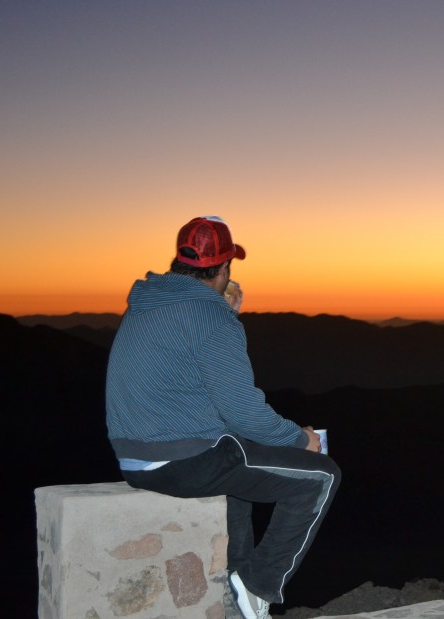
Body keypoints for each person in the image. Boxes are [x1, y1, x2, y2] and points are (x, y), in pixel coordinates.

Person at [105, 216, 339, 619]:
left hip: (135, 459)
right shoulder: (210, 317)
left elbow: (194, 385)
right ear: (226, 267)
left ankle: (235, 587)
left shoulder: (148, 301)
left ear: (180, 260)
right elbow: (243, 411)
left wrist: (220, 308)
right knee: (321, 477)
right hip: (181, 461)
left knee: (237, 464)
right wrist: (302, 440)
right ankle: (258, 585)